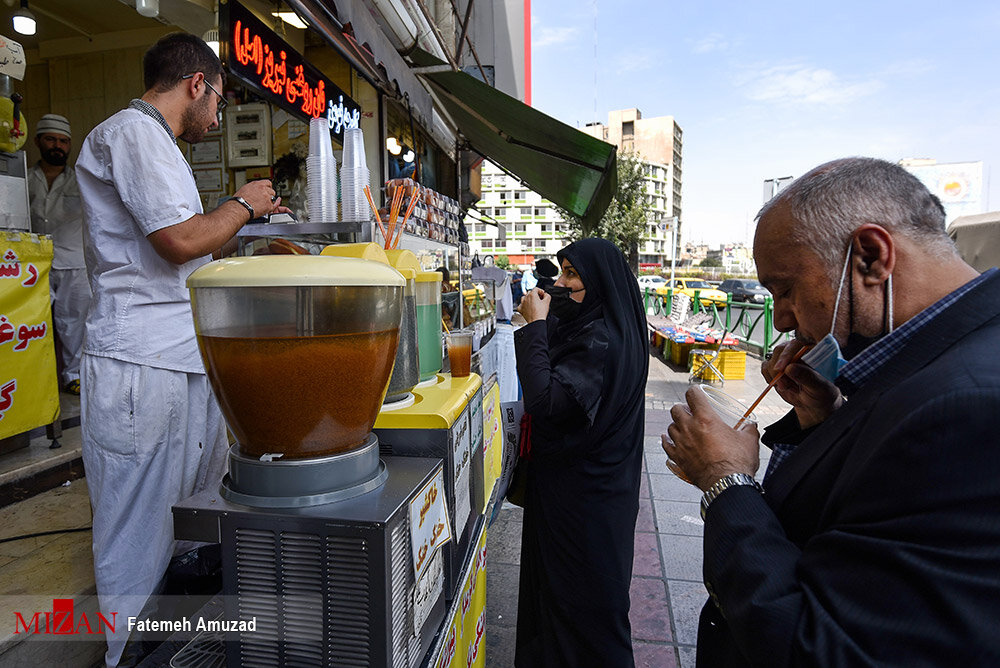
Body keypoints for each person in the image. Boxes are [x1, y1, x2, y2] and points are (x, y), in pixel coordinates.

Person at [661, 157, 1000, 667]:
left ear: (869, 257)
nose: (780, 319)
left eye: (786, 289)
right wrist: (824, 415)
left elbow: (826, 649)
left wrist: (725, 480)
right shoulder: (931, 362)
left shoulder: (968, 407)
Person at [75, 33, 283, 667]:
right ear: (196, 84)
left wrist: (251, 230)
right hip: (139, 364)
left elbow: (194, 245)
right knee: (139, 529)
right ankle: (128, 658)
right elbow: (177, 242)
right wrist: (244, 202)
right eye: (218, 101)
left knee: (189, 520)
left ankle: (178, 650)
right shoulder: (132, 133)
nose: (218, 118)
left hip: (177, 358)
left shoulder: (160, 146)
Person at [514, 238, 648, 667]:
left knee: (587, 618)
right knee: (560, 607)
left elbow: (546, 400)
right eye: (563, 271)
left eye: (573, 275)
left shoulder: (602, 341)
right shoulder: (601, 326)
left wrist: (532, 328)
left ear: (600, 282)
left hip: (586, 503)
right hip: (582, 494)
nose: (563, 284)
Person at [27, 113, 91, 396]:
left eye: (63, 141)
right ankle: (31, 380)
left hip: (73, 263)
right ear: (38, 140)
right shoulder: (23, 178)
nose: (58, 146)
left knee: (73, 324)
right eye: (51, 139)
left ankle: (72, 376)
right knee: (29, 324)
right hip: (30, 263)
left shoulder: (82, 181)